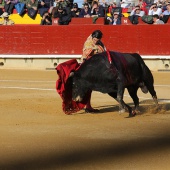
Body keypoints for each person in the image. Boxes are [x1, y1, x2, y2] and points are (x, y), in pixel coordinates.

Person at [81, 30, 106, 113]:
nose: (95, 41)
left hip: (96, 67)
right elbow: (85, 56)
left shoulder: (99, 43)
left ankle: (87, 106)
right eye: (95, 39)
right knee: (88, 87)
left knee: (89, 88)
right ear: (92, 37)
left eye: (97, 40)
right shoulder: (89, 43)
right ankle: (87, 106)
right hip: (89, 67)